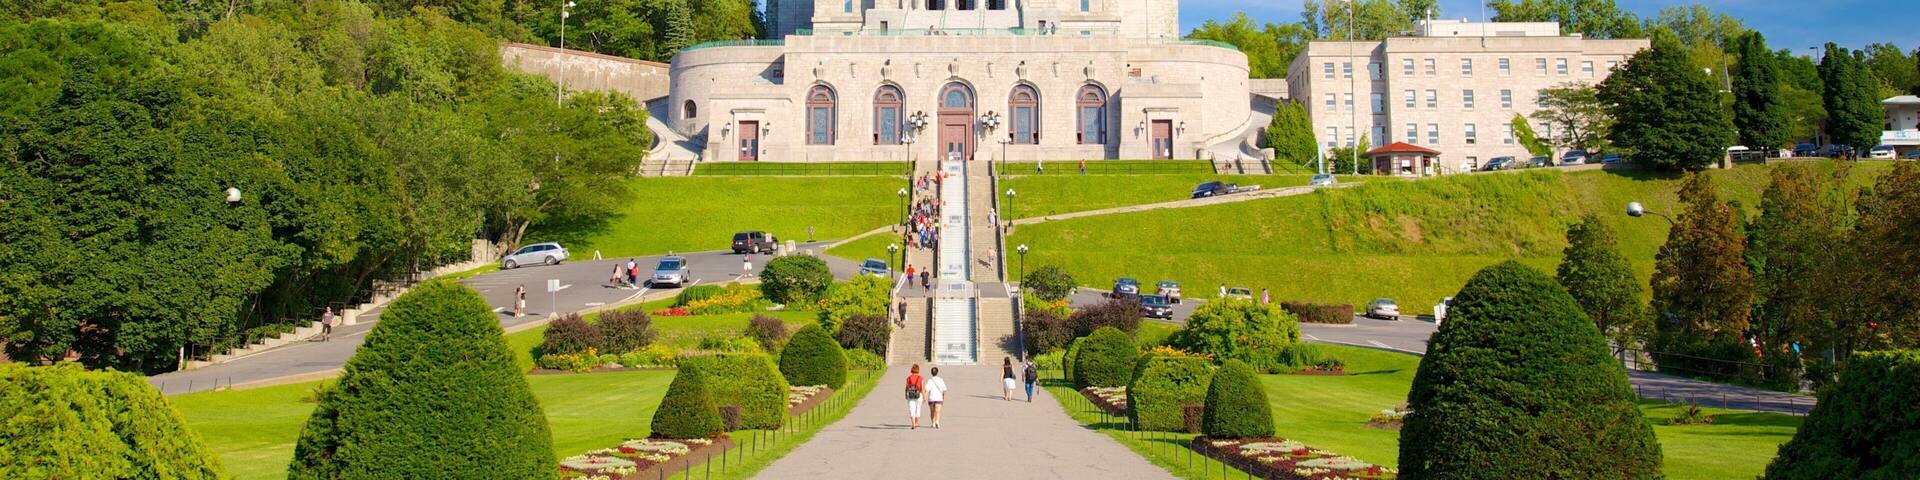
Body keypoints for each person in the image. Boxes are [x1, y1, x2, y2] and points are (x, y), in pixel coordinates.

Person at [906, 364, 926, 430]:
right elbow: (922, 388)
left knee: (912, 409)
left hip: (911, 395)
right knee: (918, 409)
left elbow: (907, 387)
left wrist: (906, 394)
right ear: (918, 370)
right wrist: (924, 397)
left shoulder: (908, 378)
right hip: (919, 395)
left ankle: (913, 424)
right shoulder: (920, 378)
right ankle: (917, 422)